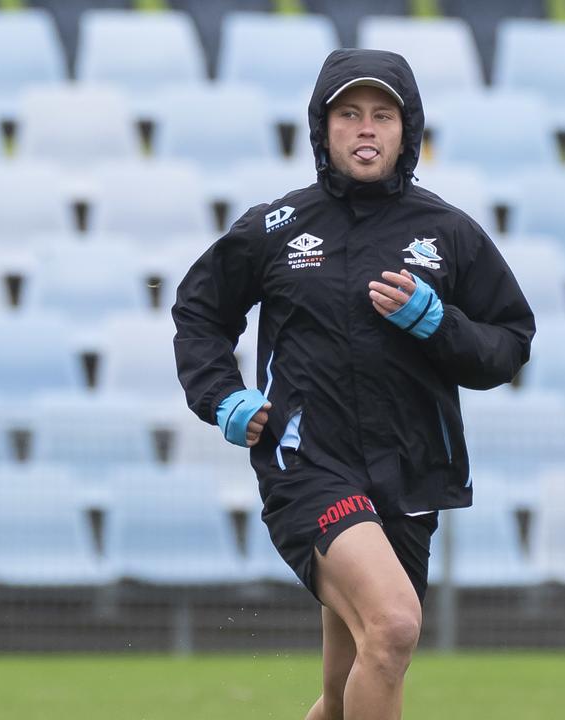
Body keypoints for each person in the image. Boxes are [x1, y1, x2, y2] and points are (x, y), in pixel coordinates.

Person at [172, 48, 534, 719]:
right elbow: (199, 314)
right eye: (349, 114)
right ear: (323, 128)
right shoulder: (275, 228)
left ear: (407, 130)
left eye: (382, 115)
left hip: (411, 476)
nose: (366, 128)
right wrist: (221, 397)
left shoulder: (448, 233)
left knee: (347, 693)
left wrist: (438, 322)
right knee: (394, 626)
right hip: (308, 467)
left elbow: (509, 344)